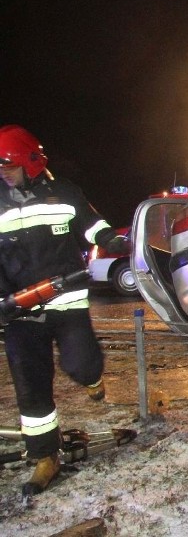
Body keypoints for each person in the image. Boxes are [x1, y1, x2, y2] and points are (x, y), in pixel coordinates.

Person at [0, 125, 129, 496]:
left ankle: (93, 380)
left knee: (82, 364)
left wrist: (110, 239)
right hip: (20, 313)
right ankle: (45, 456)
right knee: (31, 387)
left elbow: (92, 225)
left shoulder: (64, 192)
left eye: (9, 164)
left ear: (31, 163)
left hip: (66, 300)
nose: (3, 171)